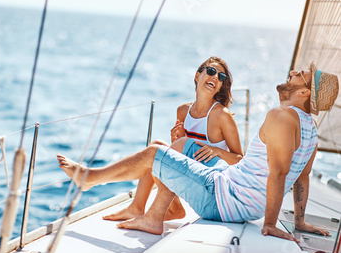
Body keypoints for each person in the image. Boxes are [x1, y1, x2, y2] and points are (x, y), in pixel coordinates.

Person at [57, 62, 339, 241]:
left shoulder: (282, 116)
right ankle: (155, 215)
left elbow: (280, 173)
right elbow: (302, 178)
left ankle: (90, 177)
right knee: (171, 148)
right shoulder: (310, 128)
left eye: (299, 75)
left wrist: (270, 224)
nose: (291, 73)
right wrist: (299, 222)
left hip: (222, 199)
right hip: (230, 188)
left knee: (156, 155)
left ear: (304, 93)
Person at [102, 56, 243, 222]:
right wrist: (178, 140)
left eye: (221, 77)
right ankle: (138, 207)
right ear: (198, 76)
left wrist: (217, 151)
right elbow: (185, 150)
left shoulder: (221, 115)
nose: (215, 77)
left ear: (220, 86)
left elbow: (240, 160)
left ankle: (166, 210)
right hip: (192, 175)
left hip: (210, 184)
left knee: (158, 154)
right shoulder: (183, 111)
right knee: (156, 146)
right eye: (211, 71)